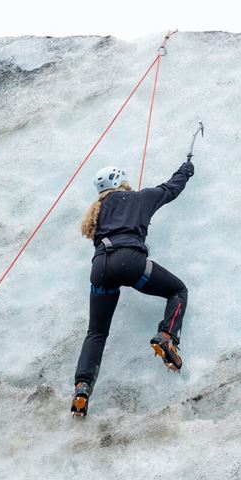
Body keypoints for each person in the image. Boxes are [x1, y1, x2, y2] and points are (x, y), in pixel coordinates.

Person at [71, 161, 195, 417]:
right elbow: (171, 188)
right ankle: (167, 337)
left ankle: (82, 387)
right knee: (178, 291)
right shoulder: (140, 198)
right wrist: (186, 169)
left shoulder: (97, 209)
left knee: (96, 332)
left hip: (101, 270)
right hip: (130, 263)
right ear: (121, 182)